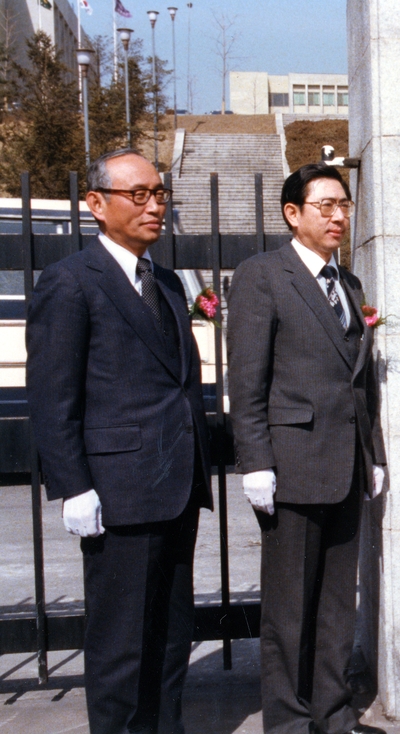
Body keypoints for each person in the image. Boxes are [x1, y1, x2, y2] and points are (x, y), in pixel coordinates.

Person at [26, 148, 212, 733]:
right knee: (120, 647)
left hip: (176, 485)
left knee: (169, 635)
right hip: (118, 490)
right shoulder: (70, 283)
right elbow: (53, 398)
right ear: (97, 205)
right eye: (139, 194)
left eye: (159, 194)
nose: (154, 205)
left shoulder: (166, 282)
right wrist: (74, 486)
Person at [227, 163, 387, 734]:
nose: (339, 215)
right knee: (290, 608)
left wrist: (374, 457)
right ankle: (290, 723)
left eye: (343, 204)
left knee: (338, 602)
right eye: (325, 205)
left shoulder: (350, 285)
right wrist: (256, 463)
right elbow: (246, 381)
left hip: (345, 465)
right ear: (293, 214)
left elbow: (359, 383)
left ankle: (333, 714)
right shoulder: (262, 275)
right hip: (290, 466)